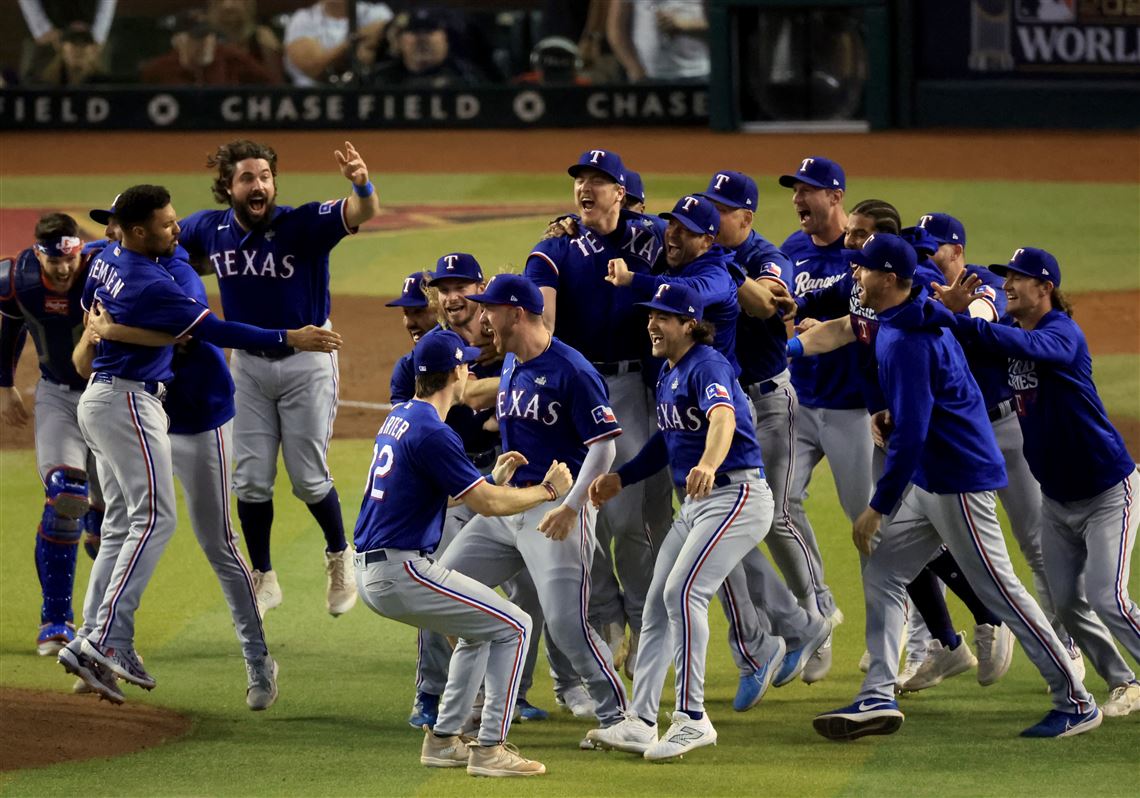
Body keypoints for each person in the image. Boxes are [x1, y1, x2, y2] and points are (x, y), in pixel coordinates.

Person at [56, 184, 338, 701]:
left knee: (218, 545)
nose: (175, 228)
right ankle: (99, 642)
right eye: (162, 223)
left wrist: (118, 332)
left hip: (199, 416)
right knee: (135, 524)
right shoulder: (118, 263)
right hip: (137, 410)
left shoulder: (175, 272)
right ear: (129, 231)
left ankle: (258, 662)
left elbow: (206, 332)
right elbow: (98, 336)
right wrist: (112, 333)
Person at [812, 233, 1098, 741]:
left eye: (865, 269)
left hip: (959, 479)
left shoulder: (907, 340)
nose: (856, 275)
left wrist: (878, 506)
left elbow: (914, 429)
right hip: (933, 479)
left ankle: (1076, 700)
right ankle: (878, 693)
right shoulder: (902, 320)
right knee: (882, 569)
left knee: (1002, 593)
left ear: (891, 280)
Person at [929, 246, 1140, 718]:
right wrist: (951, 318)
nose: (1007, 285)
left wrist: (965, 322)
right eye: (1005, 278)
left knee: (1109, 599)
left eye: (1018, 279)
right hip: (1058, 503)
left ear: (1045, 288)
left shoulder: (1061, 333)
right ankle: (1123, 680)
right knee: (1066, 605)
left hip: (1109, 492)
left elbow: (1026, 347)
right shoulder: (1010, 334)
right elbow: (967, 352)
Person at [356, 328, 572, 777]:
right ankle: (490, 748)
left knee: (479, 630)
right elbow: (489, 508)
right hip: (400, 569)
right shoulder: (434, 432)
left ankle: (442, 740)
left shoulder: (401, 417)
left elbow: (446, 492)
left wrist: (487, 480)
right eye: (466, 363)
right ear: (454, 372)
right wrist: (548, 490)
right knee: (516, 625)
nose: (471, 368)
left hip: (379, 567)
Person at [178, 139, 381, 617]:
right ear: (227, 186)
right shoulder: (208, 229)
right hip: (247, 366)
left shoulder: (300, 224)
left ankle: (339, 556)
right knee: (249, 481)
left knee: (309, 479)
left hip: (307, 363)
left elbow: (364, 210)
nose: (259, 185)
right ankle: (264, 574)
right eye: (248, 177)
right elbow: (167, 244)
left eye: (265, 176)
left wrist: (360, 183)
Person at [437, 274, 630, 747]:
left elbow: (604, 447)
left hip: (556, 515)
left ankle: (621, 717)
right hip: (509, 508)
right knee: (445, 588)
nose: (483, 317)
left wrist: (571, 505)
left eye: (491, 309)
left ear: (517, 313)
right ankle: (478, 700)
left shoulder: (573, 369)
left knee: (567, 626)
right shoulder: (510, 362)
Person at [585, 282, 774, 760]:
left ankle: (692, 718)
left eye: (663, 317)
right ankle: (641, 721)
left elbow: (723, 418)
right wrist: (621, 478)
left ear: (689, 324)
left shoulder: (707, 363)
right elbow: (667, 440)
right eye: (651, 316)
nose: (652, 324)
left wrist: (709, 462)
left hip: (737, 493)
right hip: (700, 503)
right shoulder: (671, 370)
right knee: (655, 603)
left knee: (683, 593)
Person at [525, 148, 671, 684]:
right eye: (579, 180)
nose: (585, 188)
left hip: (636, 386)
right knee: (581, 513)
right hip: (579, 388)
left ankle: (643, 623)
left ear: (621, 193)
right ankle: (609, 616)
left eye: (598, 180)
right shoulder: (556, 248)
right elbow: (543, 318)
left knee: (630, 519)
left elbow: (692, 245)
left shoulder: (650, 237)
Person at [392, 255, 553, 727]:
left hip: (499, 475)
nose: (452, 296)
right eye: (443, 289)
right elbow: (433, 413)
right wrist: (494, 394)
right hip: (451, 491)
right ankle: (430, 693)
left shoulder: (506, 341)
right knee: (436, 586)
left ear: (481, 290)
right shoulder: (423, 359)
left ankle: (511, 693)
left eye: (462, 285)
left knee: (526, 596)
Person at [700, 170, 836, 689]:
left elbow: (770, 301)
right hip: (722, 409)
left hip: (770, 402)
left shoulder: (765, 254)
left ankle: (817, 613)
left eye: (719, 210)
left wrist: (724, 266)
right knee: (728, 522)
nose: (710, 219)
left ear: (745, 217)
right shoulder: (704, 254)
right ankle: (786, 628)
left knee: (776, 515)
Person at [777, 156, 872, 667]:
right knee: (779, 509)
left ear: (835, 197)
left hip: (853, 408)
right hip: (800, 398)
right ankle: (819, 614)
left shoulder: (862, 252)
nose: (797, 200)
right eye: (794, 192)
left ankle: (909, 627)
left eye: (807, 191)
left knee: (868, 523)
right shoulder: (791, 249)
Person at [0, 213, 102, 657]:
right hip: (59, 396)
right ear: (38, 253)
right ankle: (56, 620)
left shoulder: (106, 272)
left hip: (112, 395)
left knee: (111, 517)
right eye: (52, 259)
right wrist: (5, 385)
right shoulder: (17, 281)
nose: (62, 268)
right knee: (64, 496)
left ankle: (99, 520)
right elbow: (11, 327)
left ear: (79, 249)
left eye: (69, 257)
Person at [140, 10, 277, 86]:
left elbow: (272, 86)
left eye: (207, 35)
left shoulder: (233, 59)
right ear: (177, 41)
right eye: (196, 38)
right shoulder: (160, 69)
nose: (204, 42)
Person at [364, 9, 485, 88]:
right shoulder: (379, 79)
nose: (422, 38)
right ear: (398, 41)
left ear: (446, 39)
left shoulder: (466, 77)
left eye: (429, 30)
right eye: (414, 31)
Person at [283, 0, 393, 86]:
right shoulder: (303, 18)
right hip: (309, 98)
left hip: (366, 97)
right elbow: (315, 69)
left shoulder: (378, 14)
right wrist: (355, 39)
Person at [606, 0, 710, 82]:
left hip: (698, 72)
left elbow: (719, 24)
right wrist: (636, 70)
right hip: (647, 76)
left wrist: (684, 26)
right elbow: (616, 29)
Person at [207, 0, 285, 83]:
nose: (227, 6)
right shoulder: (203, 41)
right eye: (220, 1)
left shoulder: (262, 37)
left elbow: (276, 85)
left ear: (249, 4)